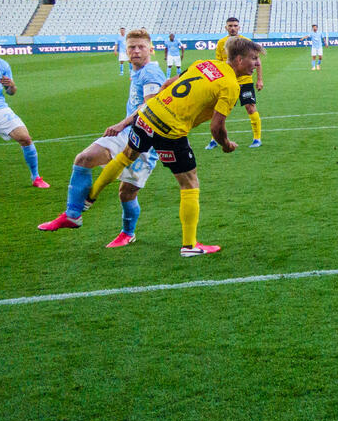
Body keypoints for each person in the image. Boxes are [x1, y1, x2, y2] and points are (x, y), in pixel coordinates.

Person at [79, 37, 261, 256]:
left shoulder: (204, 64)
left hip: (147, 116)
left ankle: (88, 200)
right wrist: (226, 145)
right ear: (239, 59)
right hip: (170, 130)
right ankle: (189, 245)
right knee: (190, 183)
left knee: (127, 156)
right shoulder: (231, 85)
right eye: (253, 58)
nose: (256, 63)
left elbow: (167, 84)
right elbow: (216, 127)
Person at [37, 29, 166, 247]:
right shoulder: (138, 71)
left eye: (141, 47)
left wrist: (122, 123)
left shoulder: (151, 74)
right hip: (128, 134)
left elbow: (150, 106)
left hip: (145, 141)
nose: (135, 51)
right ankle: (72, 215)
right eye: (131, 47)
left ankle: (127, 233)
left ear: (150, 50)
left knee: (126, 193)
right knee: (84, 158)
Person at [0, 27, 49, 188]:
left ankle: (36, 177)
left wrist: (12, 86)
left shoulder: (2, 64)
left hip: (0, 108)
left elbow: (11, 92)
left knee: (25, 138)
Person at [206, 17, 263, 149]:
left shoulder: (247, 42)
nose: (233, 28)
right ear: (226, 27)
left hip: (245, 81)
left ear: (239, 27)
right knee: (218, 110)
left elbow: (257, 61)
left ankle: (257, 138)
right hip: (227, 82)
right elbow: (219, 64)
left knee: (250, 107)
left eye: (235, 25)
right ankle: (214, 139)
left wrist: (259, 79)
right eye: (230, 25)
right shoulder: (221, 43)